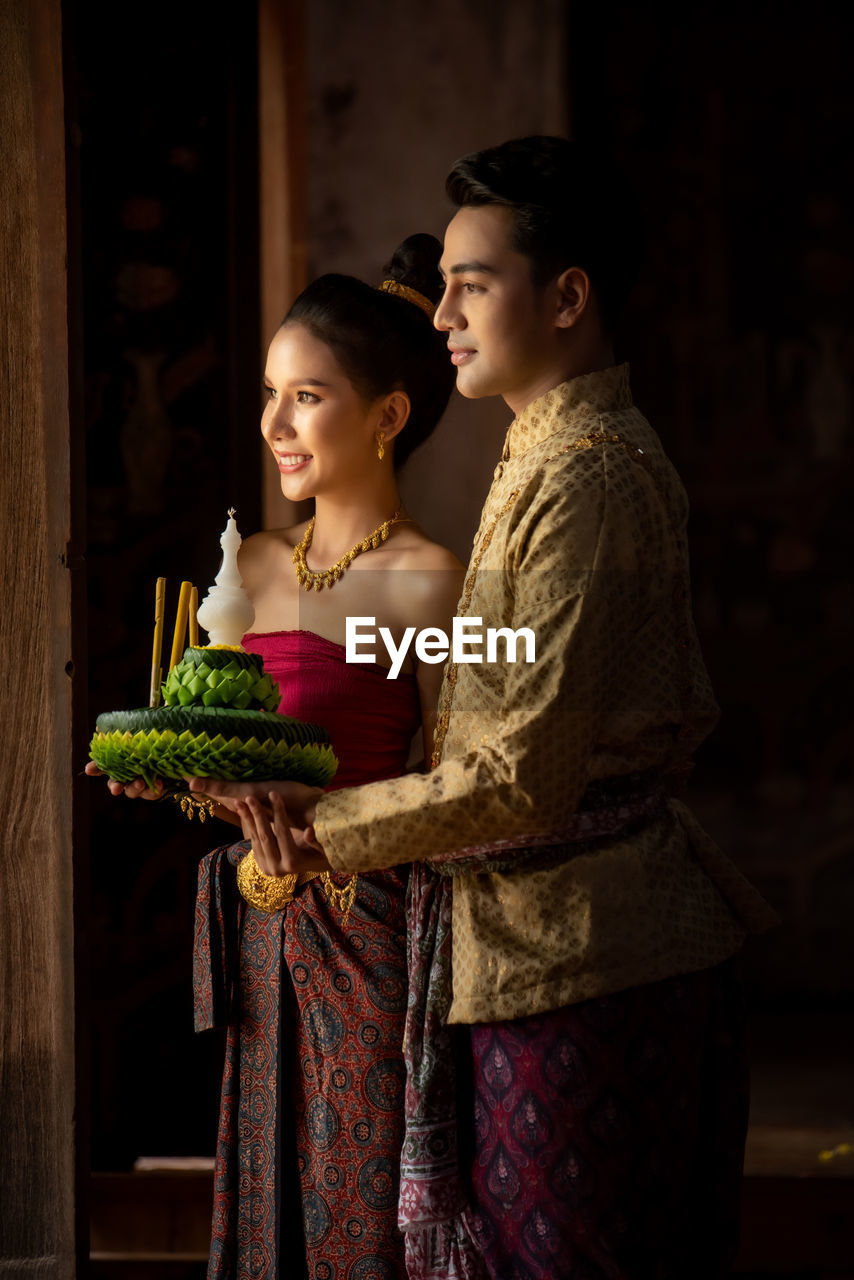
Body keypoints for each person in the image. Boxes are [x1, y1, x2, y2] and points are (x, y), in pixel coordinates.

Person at [194, 138, 777, 1280]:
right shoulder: (540, 450)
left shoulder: (588, 473)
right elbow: (510, 658)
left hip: (577, 953)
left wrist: (316, 830)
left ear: (566, 296)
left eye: (474, 282)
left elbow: (516, 772)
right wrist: (346, 643)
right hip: (518, 939)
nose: (444, 308)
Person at [90, 234, 464, 1280]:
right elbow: (227, 754)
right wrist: (180, 779)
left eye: (306, 395)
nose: (272, 425)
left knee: (364, 1216)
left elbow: (458, 782)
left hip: (372, 928)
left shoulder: (431, 584)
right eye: (268, 393)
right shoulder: (248, 566)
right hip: (263, 934)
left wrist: (326, 812)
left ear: (387, 415)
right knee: (267, 1214)